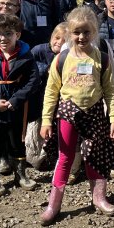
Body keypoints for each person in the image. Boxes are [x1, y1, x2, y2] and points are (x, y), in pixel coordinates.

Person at [39, 7, 114, 225]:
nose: (81, 37)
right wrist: (46, 120)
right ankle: (53, 204)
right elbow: (51, 91)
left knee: (95, 154)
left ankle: (99, 198)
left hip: (95, 112)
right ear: (69, 33)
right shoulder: (62, 59)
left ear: (94, 32)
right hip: (68, 112)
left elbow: (110, 90)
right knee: (65, 156)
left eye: (86, 32)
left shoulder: (102, 59)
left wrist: (113, 118)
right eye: (76, 32)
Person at [0, 14, 40, 197]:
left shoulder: (26, 57)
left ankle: (21, 175)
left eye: (8, 34)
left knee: (17, 143)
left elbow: (33, 82)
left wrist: (16, 100)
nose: (3, 38)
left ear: (17, 35)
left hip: (16, 110)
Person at [28, 23, 68, 170]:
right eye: (57, 38)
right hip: (39, 95)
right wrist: (46, 69)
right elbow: (29, 66)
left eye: (64, 40)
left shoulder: (68, 55)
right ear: (51, 37)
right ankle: (37, 156)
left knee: (56, 127)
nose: (59, 42)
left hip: (59, 97)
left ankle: (54, 155)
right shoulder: (39, 50)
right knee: (38, 126)